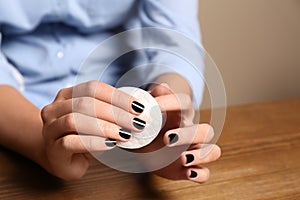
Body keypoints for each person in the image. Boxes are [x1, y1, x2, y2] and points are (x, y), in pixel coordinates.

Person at [0, 0, 221, 183]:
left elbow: (174, 40)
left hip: (128, 103)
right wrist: (41, 142)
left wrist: (165, 113)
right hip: (14, 116)